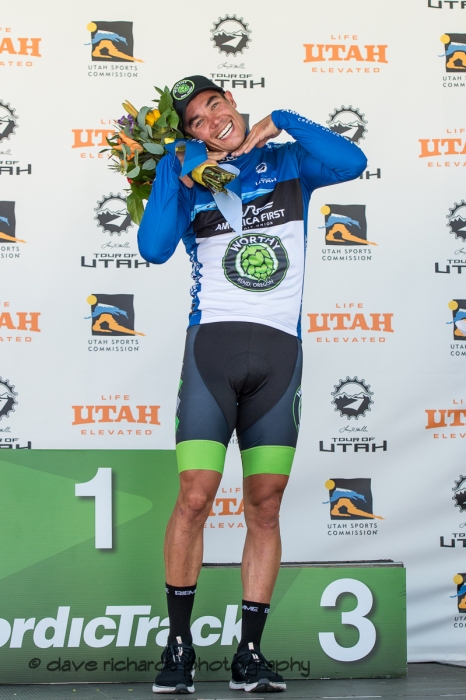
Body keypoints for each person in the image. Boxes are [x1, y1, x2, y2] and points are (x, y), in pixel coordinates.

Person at [138, 75, 367, 694]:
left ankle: (249, 655)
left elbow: (354, 160)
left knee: (264, 506)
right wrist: (174, 168)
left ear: (233, 103)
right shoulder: (190, 182)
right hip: (210, 351)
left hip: (278, 357)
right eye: (194, 122)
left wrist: (283, 118)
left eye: (215, 105)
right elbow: (154, 248)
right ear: (188, 136)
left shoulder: (290, 161)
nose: (211, 120)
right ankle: (179, 648)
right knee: (194, 497)